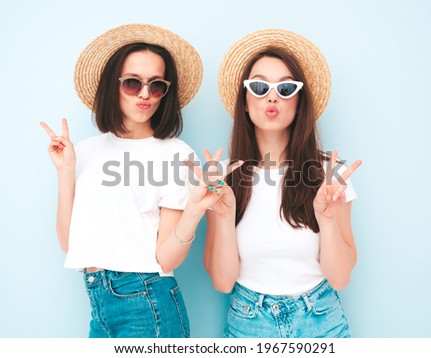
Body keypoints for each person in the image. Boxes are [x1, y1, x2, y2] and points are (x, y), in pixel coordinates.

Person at [40, 23, 218, 338]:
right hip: (98, 302)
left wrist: (194, 211)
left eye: (157, 85)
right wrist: (66, 173)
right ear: (114, 85)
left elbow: (166, 259)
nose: (145, 94)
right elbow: (71, 246)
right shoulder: (86, 151)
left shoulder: (177, 155)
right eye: (133, 83)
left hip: (148, 303)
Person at [204, 29, 363, 338]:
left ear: (299, 102)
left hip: (321, 322)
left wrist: (327, 220)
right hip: (249, 323)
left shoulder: (329, 173)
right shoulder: (222, 178)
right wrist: (223, 216)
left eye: (286, 87)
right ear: (245, 103)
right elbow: (223, 283)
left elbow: (340, 278)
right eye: (260, 86)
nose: (272, 96)